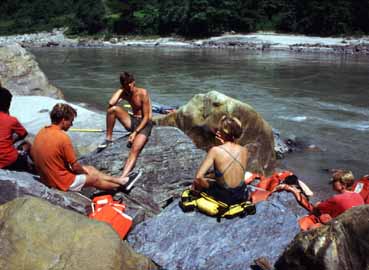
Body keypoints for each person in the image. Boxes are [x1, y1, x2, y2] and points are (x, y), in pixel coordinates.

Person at [31, 103, 139, 192]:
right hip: (61, 182)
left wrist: (86, 171)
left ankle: (120, 180)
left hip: (47, 178)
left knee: (90, 169)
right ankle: (120, 187)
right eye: (71, 121)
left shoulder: (42, 132)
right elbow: (75, 167)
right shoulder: (62, 137)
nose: (71, 124)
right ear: (63, 120)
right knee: (93, 178)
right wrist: (86, 174)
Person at [98, 72, 153, 184]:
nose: (129, 88)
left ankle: (122, 177)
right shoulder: (125, 92)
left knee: (134, 149)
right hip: (133, 121)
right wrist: (121, 90)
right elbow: (111, 103)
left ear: (133, 82)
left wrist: (135, 133)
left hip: (144, 123)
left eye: (130, 85)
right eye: (126, 86)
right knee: (113, 110)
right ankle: (108, 139)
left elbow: (147, 117)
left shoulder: (143, 93)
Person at [276, 169, 364, 230]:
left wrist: (294, 191)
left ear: (343, 185)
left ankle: (293, 190)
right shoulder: (358, 196)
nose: (332, 183)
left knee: (314, 214)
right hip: (354, 226)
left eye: (334, 182)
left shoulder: (337, 198)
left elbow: (314, 208)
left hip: (342, 228)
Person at [192, 115, 249, 205]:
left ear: (223, 132)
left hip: (224, 199)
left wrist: (207, 187)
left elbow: (198, 177)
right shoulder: (244, 150)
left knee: (196, 184)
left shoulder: (215, 150)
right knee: (214, 177)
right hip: (242, 195)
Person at [0, 82, 33, 172]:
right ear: (8, 104)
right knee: (27, 145)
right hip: (8, 161)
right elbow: (23, 134)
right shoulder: (11, 120)